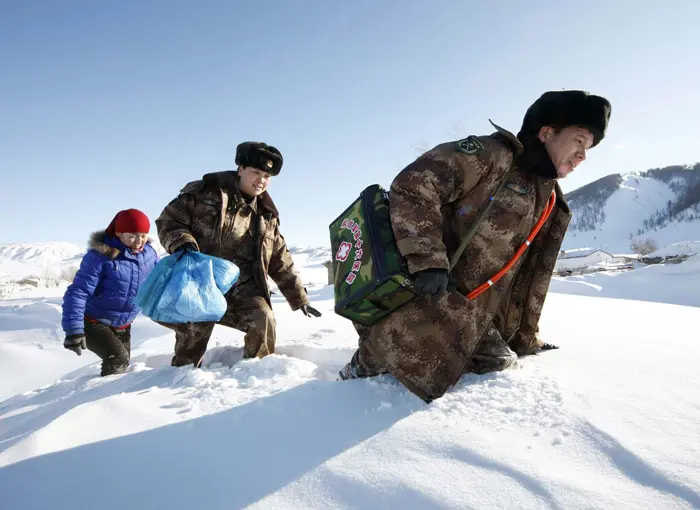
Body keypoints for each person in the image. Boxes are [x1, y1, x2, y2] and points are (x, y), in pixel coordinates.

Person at [338, 90, 611, 403]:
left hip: (472, 320)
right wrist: (428, 260)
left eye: (588, 148)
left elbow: (525, 277)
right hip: (423, 303)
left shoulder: (548, 197)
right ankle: (349, 382)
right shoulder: (491, 156)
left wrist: (524, 338)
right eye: (579, 140)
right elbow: (414, 185)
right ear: (547, 132)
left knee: (499, 365)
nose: (583, 155)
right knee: (374, 376)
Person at [156, 141, 321, 368]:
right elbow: (169, 220)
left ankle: (253, 375)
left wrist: (298, 296)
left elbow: (280, 258)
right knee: (194, 334)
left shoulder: (267, 215)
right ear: (241, 169)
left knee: (263, 320)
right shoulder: (205, 193)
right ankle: (182, 378)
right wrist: (183, 243)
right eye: (256, 172)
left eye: (266, 175)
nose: (261, 180)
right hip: (202, 281)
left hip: (243, 287)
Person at [62, 209, 159, 375]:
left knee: (121, 368)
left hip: (123, 323)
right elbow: (78, 291)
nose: (139, 241)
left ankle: (109, 399)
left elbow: (159, 279)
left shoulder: (149, 254)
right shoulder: (100, 255)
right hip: (93, 321)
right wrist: (73, 329)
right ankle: (100, 399)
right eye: (132, 235)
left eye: (143, 235)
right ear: (119, 233)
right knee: (118, 360)